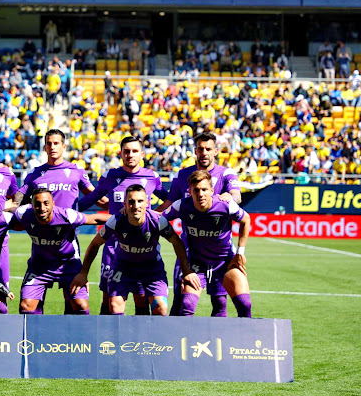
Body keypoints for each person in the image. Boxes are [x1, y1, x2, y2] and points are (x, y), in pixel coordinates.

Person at [78, 136, 168, 315]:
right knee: (109, 299)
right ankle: (106, 339)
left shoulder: (151, 177)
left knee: (141, 297)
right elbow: (91, 199)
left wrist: (155, 215)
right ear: (120, 153)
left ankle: (141, 341)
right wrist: (68, 212)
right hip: (112, 247)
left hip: (143, 245)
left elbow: (170, 199)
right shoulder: (110, 176)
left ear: (142, 154)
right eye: (126, 151)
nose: (130, 155)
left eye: (135, 151)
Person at [71, 185, 192, 315]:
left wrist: (186, 271)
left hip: (152, 269)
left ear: (147, 203)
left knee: (161, 307)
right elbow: (95, 244)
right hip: (123, 268)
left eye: (140, 201)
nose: (136, 205)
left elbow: (177, 243)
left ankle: (152, 335)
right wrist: (83, 273)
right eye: (131, 201)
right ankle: (117, 335)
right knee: (114, 305)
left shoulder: (158, 221)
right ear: (125, 204)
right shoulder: (116, 221)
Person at [157, 132, 241, 317]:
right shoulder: (183, 175)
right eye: (200, 149)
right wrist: (148, 215)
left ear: (216, 151)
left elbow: (236, 196)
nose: (204, 152)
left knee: (220, 301)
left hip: (219, 251)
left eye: (208, 149)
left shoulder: (226, 174)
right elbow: (169, 204)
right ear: (195, 151)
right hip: (190, 251)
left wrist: (230, 196)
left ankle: (218, 343)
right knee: (180, 300)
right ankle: (173, 342)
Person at [162, 170, 252, 318]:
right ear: (190, 192)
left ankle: (246, 340)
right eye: (196, 190)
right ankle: (183, 340)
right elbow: (160, 220)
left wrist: (240, 252)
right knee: (187, 306)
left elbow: (246, 219)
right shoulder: (182, 206)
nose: (200, 194)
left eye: (204, 189)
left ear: (212, 190)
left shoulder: (225, 205)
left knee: (244, 304)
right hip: (197, 264)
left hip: (225, 262)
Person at [11, 188, 111, 315]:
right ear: (32, 204)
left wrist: (123, 217)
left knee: (81, 305)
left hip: (68, 265)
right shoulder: (23, 213)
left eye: (46, 203)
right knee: (26, 306)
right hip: (39, 266)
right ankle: (34, 334)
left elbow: (95, 218)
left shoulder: (66, 215)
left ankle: (80, 334)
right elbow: (7, 215)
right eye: (37, 204)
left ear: (53, 203)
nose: (42, 208)